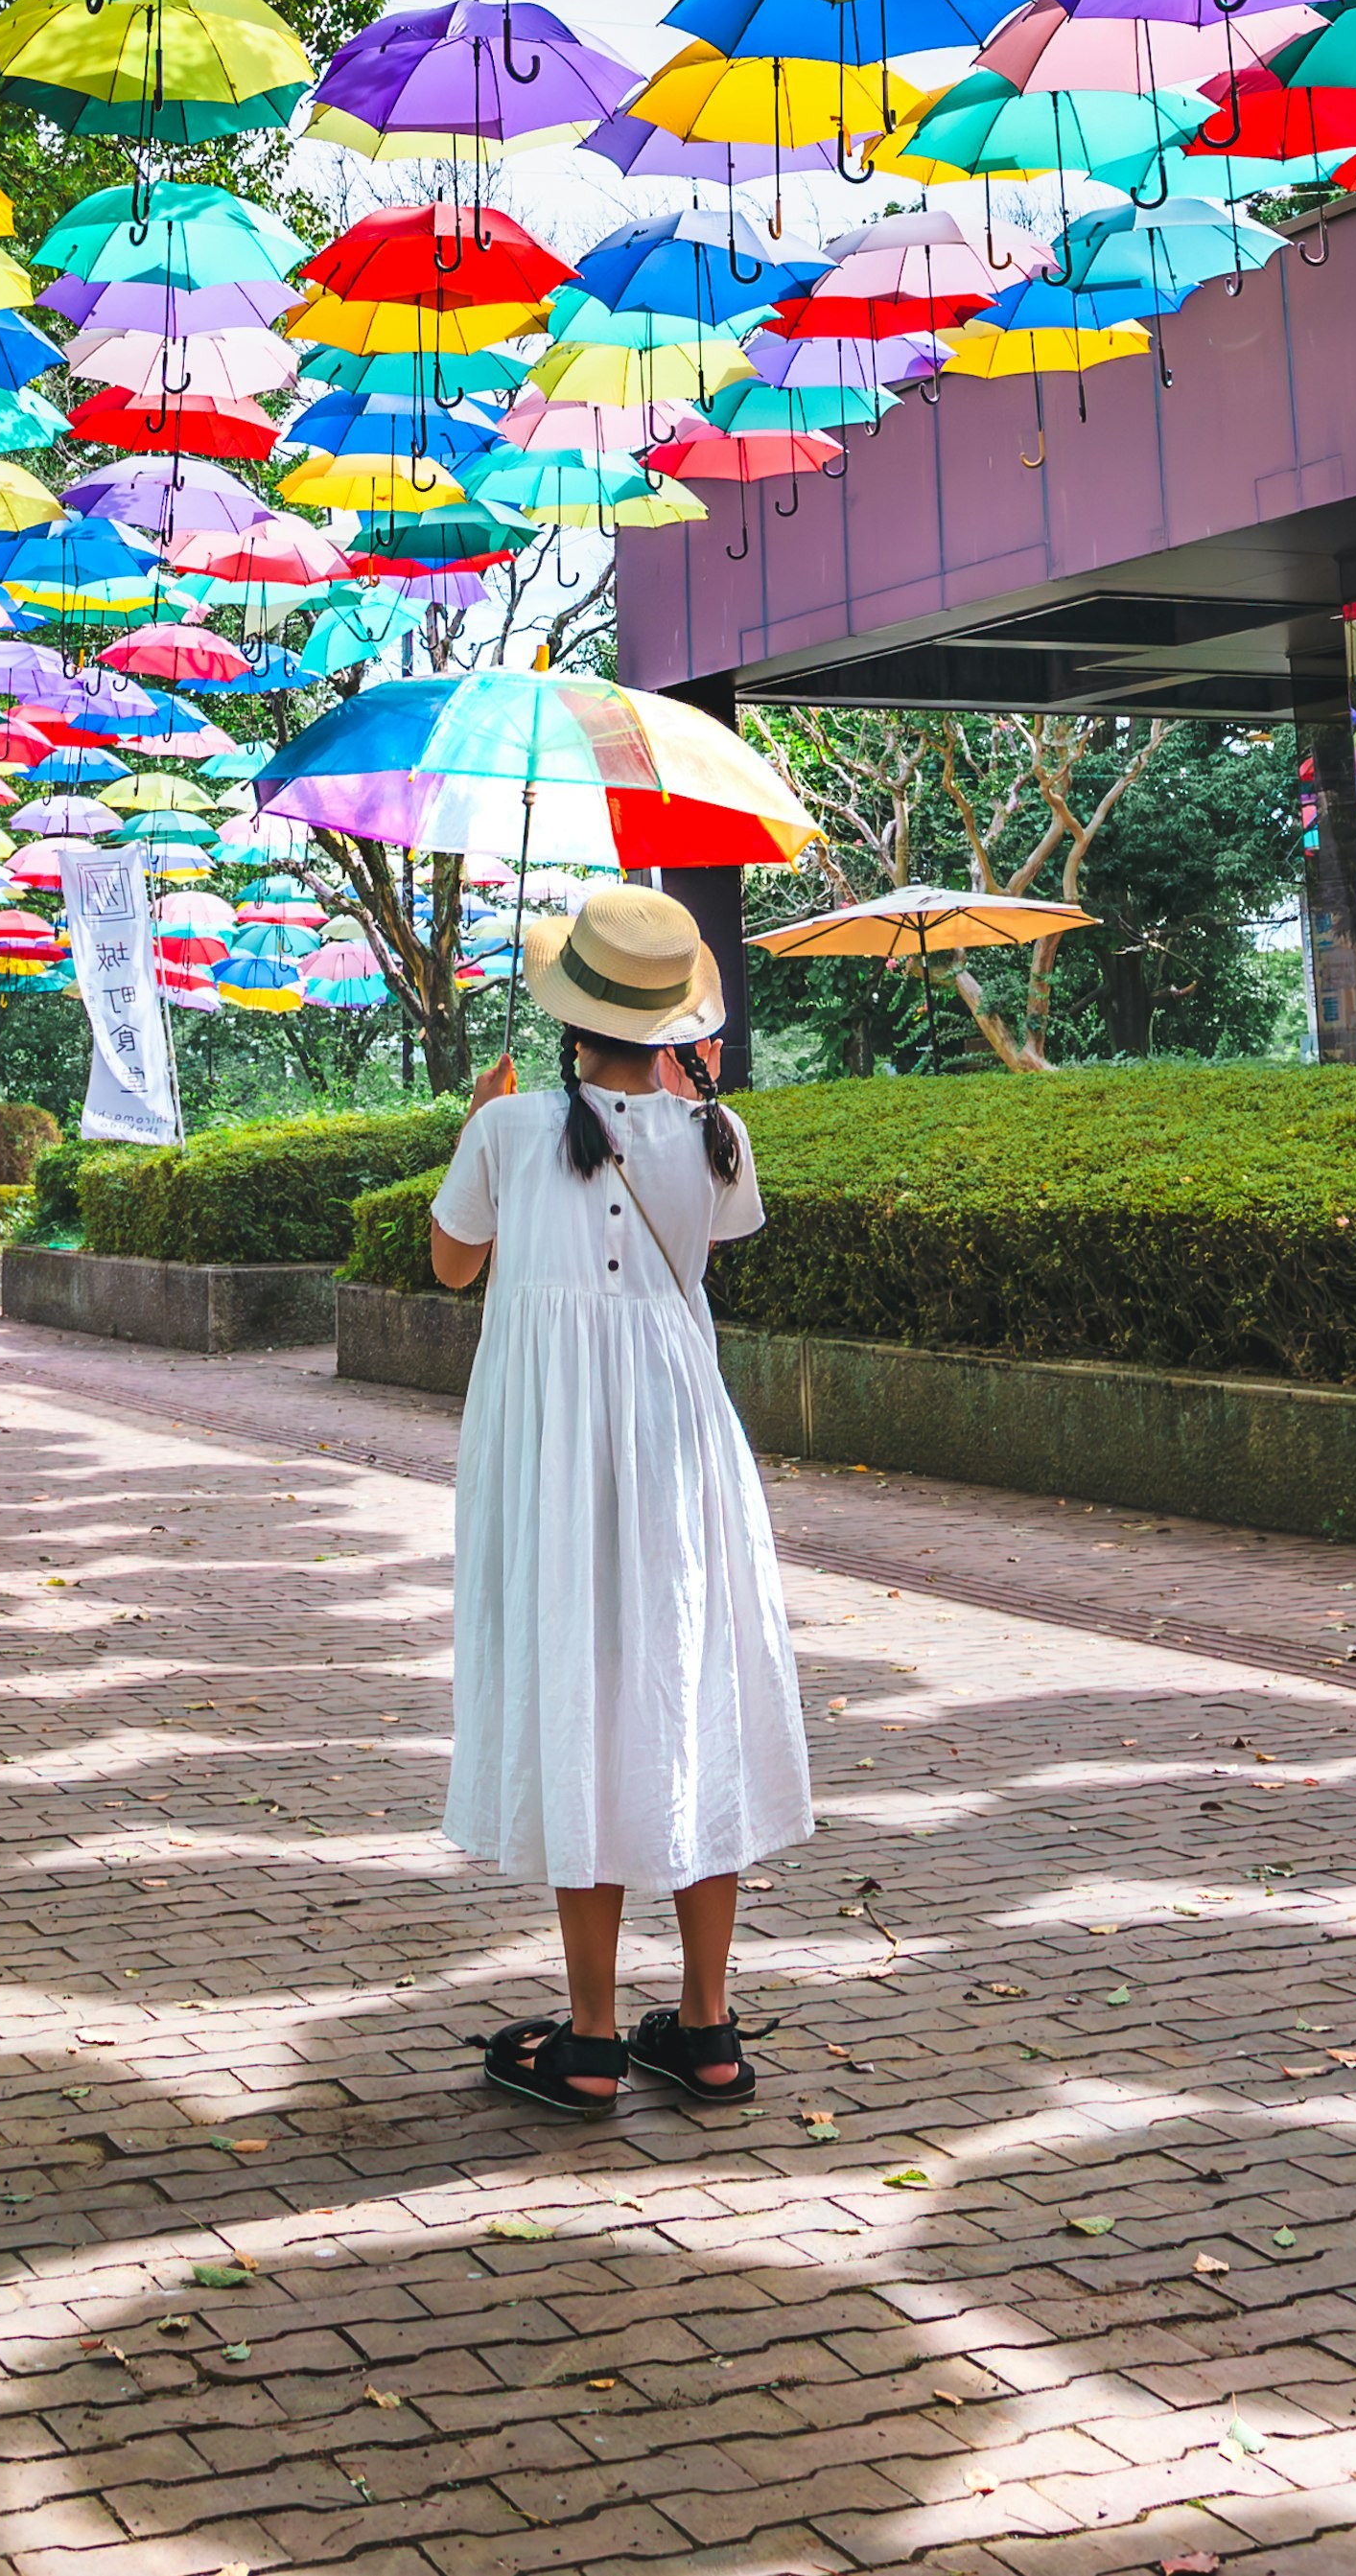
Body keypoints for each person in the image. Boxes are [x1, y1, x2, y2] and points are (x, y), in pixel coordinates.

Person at [427, 878, 812, 2116]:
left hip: (550, 1449)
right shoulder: (720, 1132)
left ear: (570, 1011)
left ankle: (590, 2036)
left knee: (578, 1690)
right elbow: (708, 1244)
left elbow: (450, 1264)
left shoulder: (507, 1127)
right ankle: (706, 2025)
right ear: (672, 1018)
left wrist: (478, 1120)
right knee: (695, 1688)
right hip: (682, 1441)